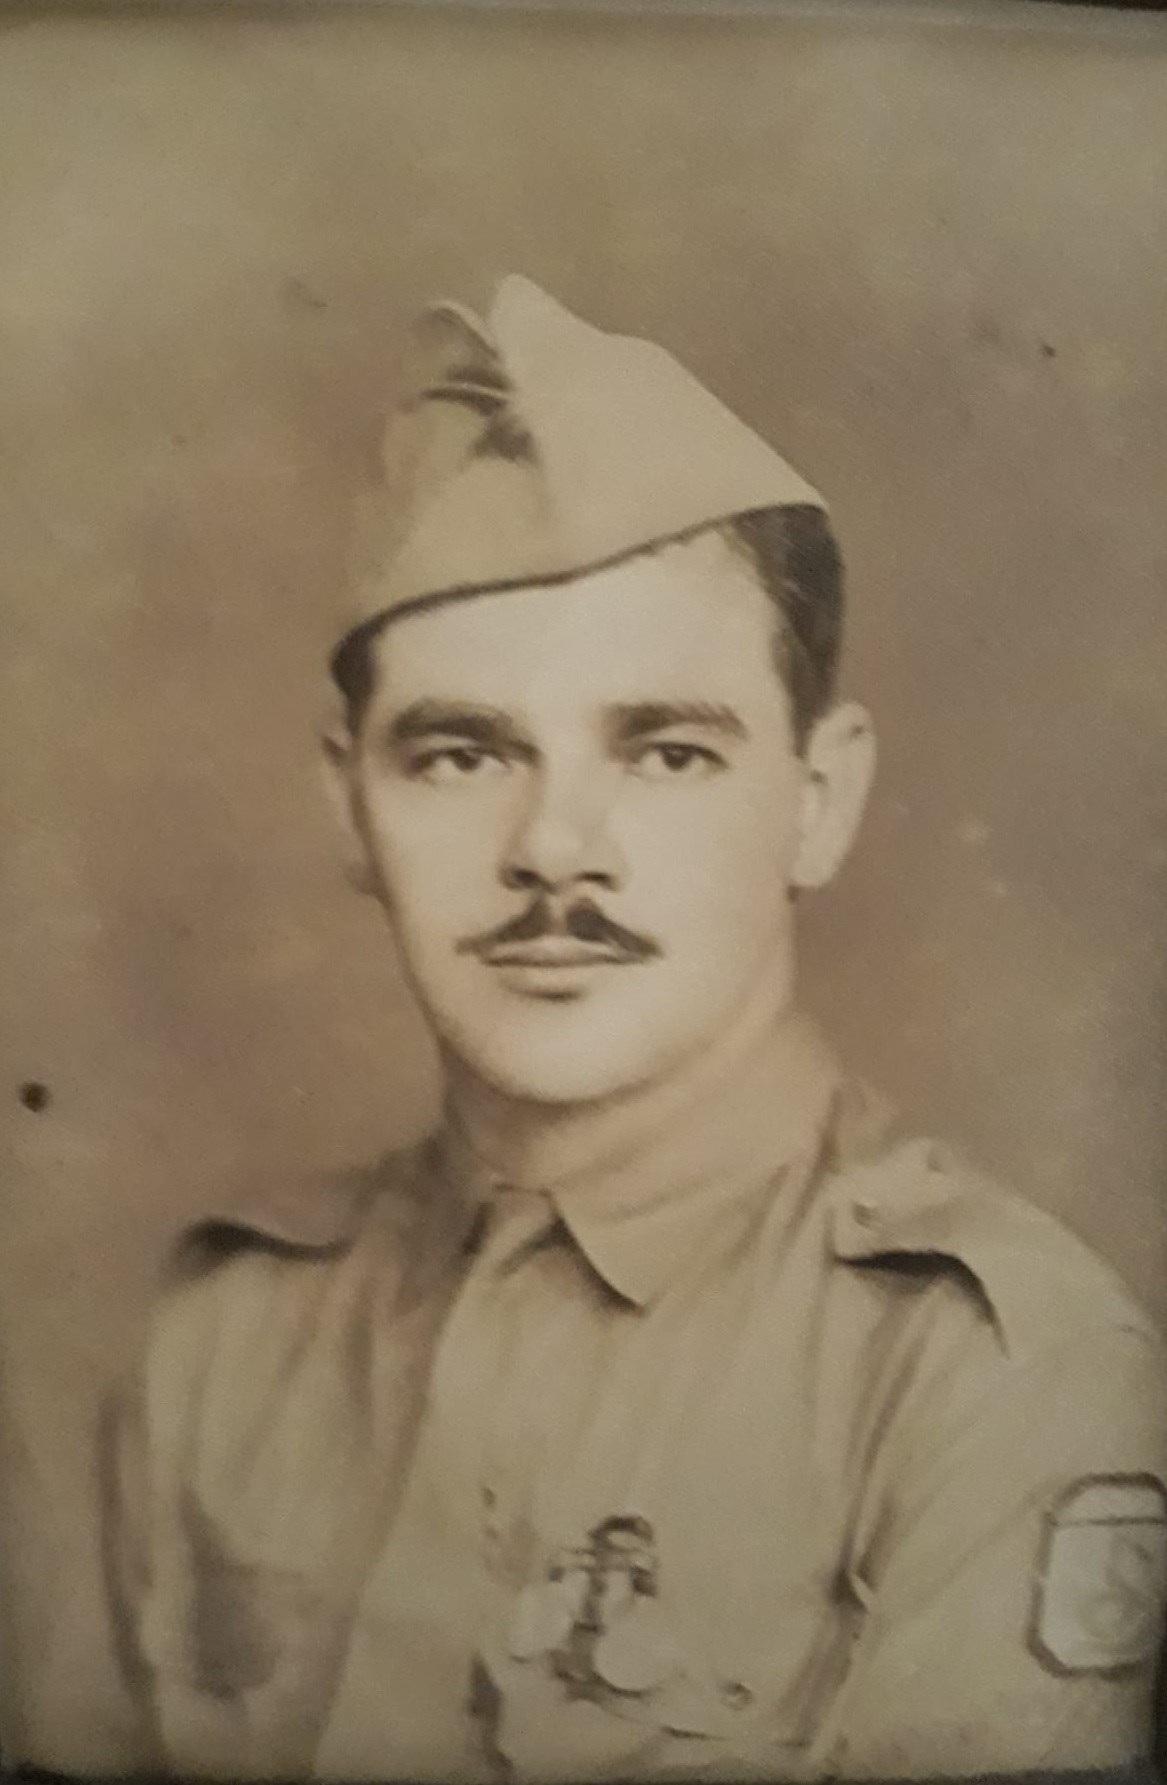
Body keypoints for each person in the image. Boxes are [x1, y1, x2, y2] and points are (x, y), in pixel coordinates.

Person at [101, 277, 1167, 1782]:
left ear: (818, 798)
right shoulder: (221, 1341)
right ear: (348, 803)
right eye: (461, 753)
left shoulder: (990, 1377)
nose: (555, 848)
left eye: (666, 752)